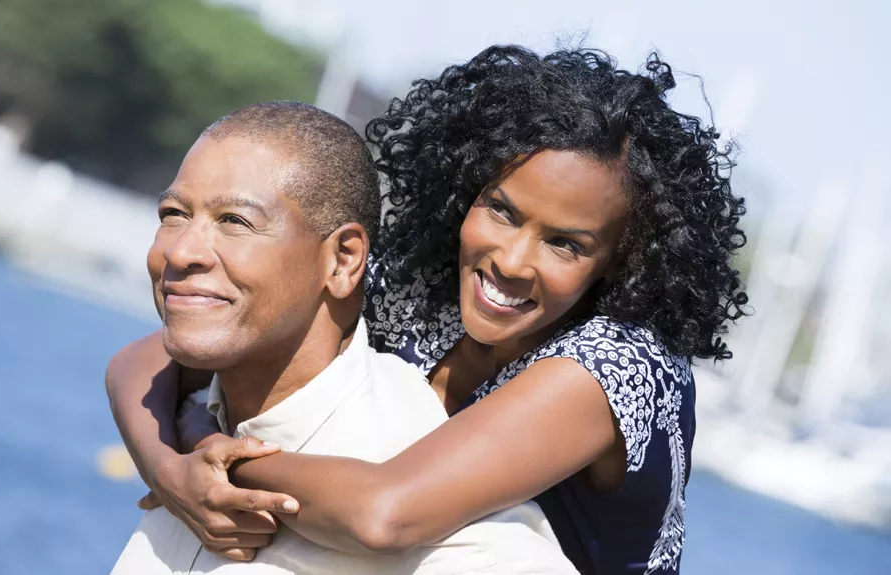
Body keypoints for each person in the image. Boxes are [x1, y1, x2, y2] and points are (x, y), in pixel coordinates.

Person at [106, 46, 749, 575]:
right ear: (465, 190)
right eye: (501, 209)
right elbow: (148, 357)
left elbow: (386, 515)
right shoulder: (422, 288)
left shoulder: (617, 367)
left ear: (619, 259)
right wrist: (171, 473)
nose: (513, 261)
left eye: (565, 244)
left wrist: (214, 459)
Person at [110, 101, 577, 574]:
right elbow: (134, 365)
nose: (181, 251)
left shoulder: (459, 543)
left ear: (344, 260)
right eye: (172, 213)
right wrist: (171, 464)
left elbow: (384, 517)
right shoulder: (189, 436)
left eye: (235, 221)